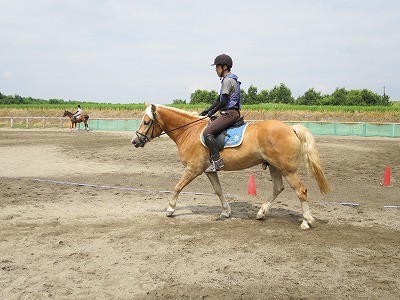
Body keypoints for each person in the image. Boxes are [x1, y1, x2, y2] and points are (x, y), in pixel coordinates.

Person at [200, 54, 242, 172]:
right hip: (230, 112)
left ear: (224, 67)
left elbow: (223, 101)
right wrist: (208, 110)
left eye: (217, 67)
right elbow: (219, 99)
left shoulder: (227, 80)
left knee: (207, 132)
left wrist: (212, 112)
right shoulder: (229, 79)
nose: (215, 70)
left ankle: (217, 161)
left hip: (230, 113)